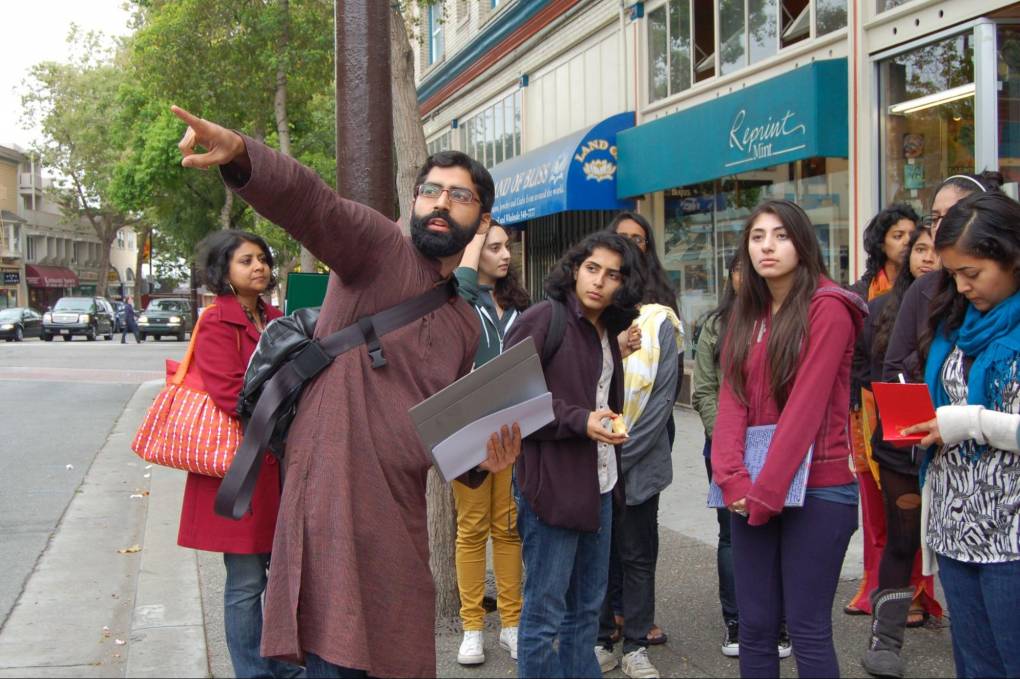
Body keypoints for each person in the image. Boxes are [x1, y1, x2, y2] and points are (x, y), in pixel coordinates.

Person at [171, 105, 521, 678]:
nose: (440, 203)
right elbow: (315, 205)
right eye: (430, 191)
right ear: (413, 203)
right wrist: (241, 154)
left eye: (459, 197)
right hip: (332, 492)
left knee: (396, 648)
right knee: (335, 653)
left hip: (399, 512)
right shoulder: (378, 249)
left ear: (481, 220)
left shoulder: (461, 322)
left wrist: (486, 459)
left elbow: (446, 436)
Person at [711, 200, 867, 678]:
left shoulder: (829, 308)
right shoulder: (746, 311)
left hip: (820, 486)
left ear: (802, 243)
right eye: (757, 237)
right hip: (752, 489)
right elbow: (731, 399)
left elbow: (807, 406)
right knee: (755, 628)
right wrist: (731, 479)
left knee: (807, 629)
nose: (767, 247)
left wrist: (767, 490)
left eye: (780, 235)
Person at [504, 231, 644, 679]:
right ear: (574, 268)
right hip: (552, 490)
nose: (599, 281)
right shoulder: (545, 318)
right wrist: (579, 420)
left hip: (600, 487)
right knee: (544, 616)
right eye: (591, 269)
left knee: (586, 611)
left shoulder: (608, 332)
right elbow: (511, 400)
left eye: (612, 275)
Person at [903, 192, 1020, 678]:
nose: (963, 286)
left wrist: (967, 422)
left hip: (1012, 534)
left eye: (972, 273)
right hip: (956, 524)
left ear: (1012, 256)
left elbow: (970, 417)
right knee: (974, 664)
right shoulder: (957, 322)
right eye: (954, 274)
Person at [175, 229, 297, 679]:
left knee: (282, 577)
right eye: (246, 260)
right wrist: (289, 400)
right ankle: (253, 672)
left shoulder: (278, 317)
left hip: (281, 464)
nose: (259, 267)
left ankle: (282, 668)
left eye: (262, 259)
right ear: (224, 270)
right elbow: (230, 395)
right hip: (242, 469)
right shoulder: (216, 321)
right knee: (247, 582)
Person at [594, 214, 681, 679]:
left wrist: (622, 451)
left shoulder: (661, 318)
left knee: (637, 552)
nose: (629, 247)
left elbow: (664, 398)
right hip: (596, 458)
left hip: (640, 457)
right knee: (602, 552)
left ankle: (636, 644)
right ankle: (602, 636)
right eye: (621, 240)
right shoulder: (592, 316)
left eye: (638, 240)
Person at [855, 226, 944, 678]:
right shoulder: (882, 308)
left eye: (936, 248)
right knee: (902, 536)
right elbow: (875, 373)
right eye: (921, 248)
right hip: (900, 439)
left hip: (958, 443)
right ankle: (884, 637)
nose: (929, 257)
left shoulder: (976, 297)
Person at [452, 221, 529, 666]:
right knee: (471, 528)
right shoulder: (461, 298)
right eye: (493, 246)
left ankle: (512, 625)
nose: (505, 255)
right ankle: (472, 628)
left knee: (508, 526)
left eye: (507, 247)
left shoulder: (519, 302)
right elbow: (461, 283)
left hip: (517, 429)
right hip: (470, 430)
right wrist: (476, 232)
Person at [844, 204, 919, 617]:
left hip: (913, 410)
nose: (907, 244)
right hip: (867, 411)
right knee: (875, 508)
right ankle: (877, 587)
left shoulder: (931, 290)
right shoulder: (861, 292)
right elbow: (855, 360)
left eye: (914, 236)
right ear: (881, 242)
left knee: (911, 508)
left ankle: (915, 594)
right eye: (898, 235)